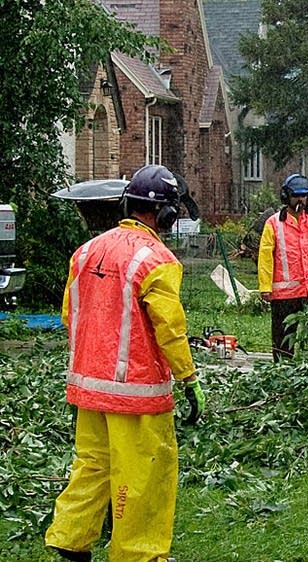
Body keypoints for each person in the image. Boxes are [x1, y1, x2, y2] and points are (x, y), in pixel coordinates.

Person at [45, 165, 206, 562]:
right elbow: (170, 329)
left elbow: (69, 314)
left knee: (92, 464)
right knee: (143, 475)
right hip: (137, 391)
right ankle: (139, 554)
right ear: (166, 214)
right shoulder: (157, 260)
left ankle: (71, 537)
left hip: (87, 385)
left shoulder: (86, 252)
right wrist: (188, 378)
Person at [257, 173, 308, 361]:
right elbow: (265, 258)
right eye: (296, 196)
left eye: (304, 195)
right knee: (283, 340)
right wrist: (265, 287)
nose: (300, 200)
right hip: (285, 294)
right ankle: (282, 370)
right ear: (286, 196)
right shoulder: (273, 223)